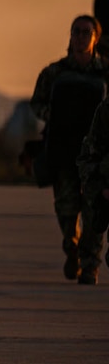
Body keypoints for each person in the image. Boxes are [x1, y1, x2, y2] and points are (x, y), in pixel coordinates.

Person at [29, 16, 108, 278]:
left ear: (96, 38)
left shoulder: (105, 72)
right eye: (76, 32)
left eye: (86, 32)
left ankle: (90, 264)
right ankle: (71, 247)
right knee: (66, 208)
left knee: (94, 209)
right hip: (64, 151)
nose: (81, 37)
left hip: (96, 154)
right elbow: (36, 102)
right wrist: (54, 115)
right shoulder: (55, 73)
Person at [74, 75, 109, 286]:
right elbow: (89, 158)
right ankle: (88, 264)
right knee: (91, 225)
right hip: (104, 186)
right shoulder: (105, 111)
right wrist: (101, 189)